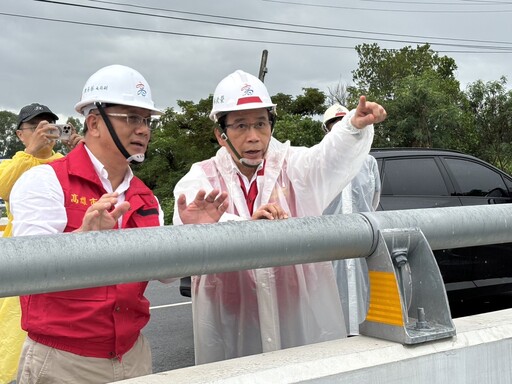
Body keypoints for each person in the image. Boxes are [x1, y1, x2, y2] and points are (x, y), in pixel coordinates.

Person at [9, 65, 227, 384]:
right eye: (132, 118)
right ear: (94, 122)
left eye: (147, 120)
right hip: (63, 361)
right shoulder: (43, 181)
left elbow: (163, 275)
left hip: (133, 355)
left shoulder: (145, 197)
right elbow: (26, 271)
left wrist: (191, 236)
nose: (143, 129)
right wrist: (83, 240)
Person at [173, 70, 387, 364]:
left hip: (294, 312)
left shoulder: (292, 166)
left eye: (261, 124)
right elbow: (184, 221)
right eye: (240, 126)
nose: (253, 137)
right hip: (233, 316)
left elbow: (326, 158)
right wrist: (245, 229)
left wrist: (352, 126)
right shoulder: (202, 177)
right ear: (220, 134)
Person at [0, 103, 82, 384]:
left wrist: (85, 151)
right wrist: (30, 153)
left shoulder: (66, 162)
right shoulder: (14, 163)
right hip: (24, 262)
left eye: (49, 126)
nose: (44, 132)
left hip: (65, 260)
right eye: (35, 127)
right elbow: (3, 186)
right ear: (20, 134)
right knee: (14, 341)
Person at [322, 103, 381, 336]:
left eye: (342, 123)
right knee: (332, 306)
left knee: (362, 299)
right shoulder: (319, 163)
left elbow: (373, 201)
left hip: (362, 244)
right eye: (333, 126)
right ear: (327, 131)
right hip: (330, 247)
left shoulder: (368, 163)